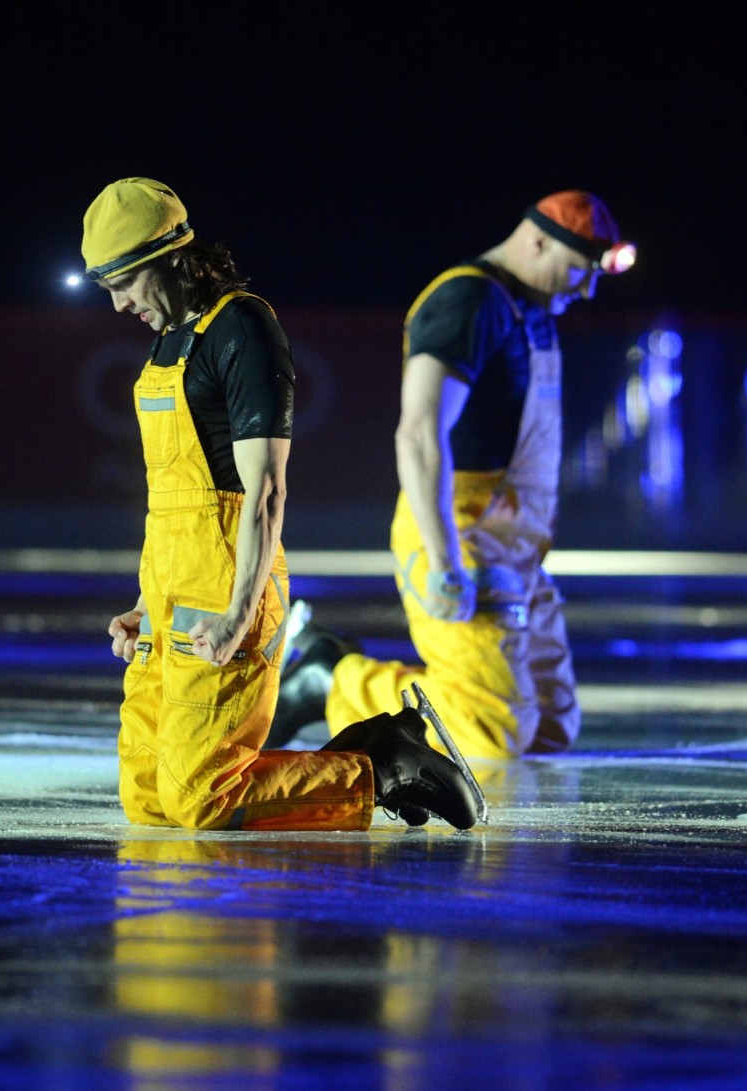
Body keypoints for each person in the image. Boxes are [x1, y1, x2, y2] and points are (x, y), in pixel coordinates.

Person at [79, 176, 481, 831]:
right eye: (108, 288)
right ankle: (374, 758)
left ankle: (384, 764)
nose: (120, 304)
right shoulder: (166, 342)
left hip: (230, 577)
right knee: (149, 795)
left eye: (126, 282)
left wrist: (241, 609)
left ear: (175, 257)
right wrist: (145, 606)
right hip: (170, 585)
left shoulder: (241, 328)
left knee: (201, 798)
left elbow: (264, 491)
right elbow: (173, 501)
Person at [269, 190, 636, 760]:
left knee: (549, 725)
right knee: (492, 728)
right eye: (579, 270)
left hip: (515, 543)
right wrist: (444, 561)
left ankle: (362, 679)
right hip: (460, 531)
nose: (587, 289)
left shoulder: (530, 307)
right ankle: (332, 679)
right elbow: (418, 431)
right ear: (538, 240)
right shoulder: (469, 300)